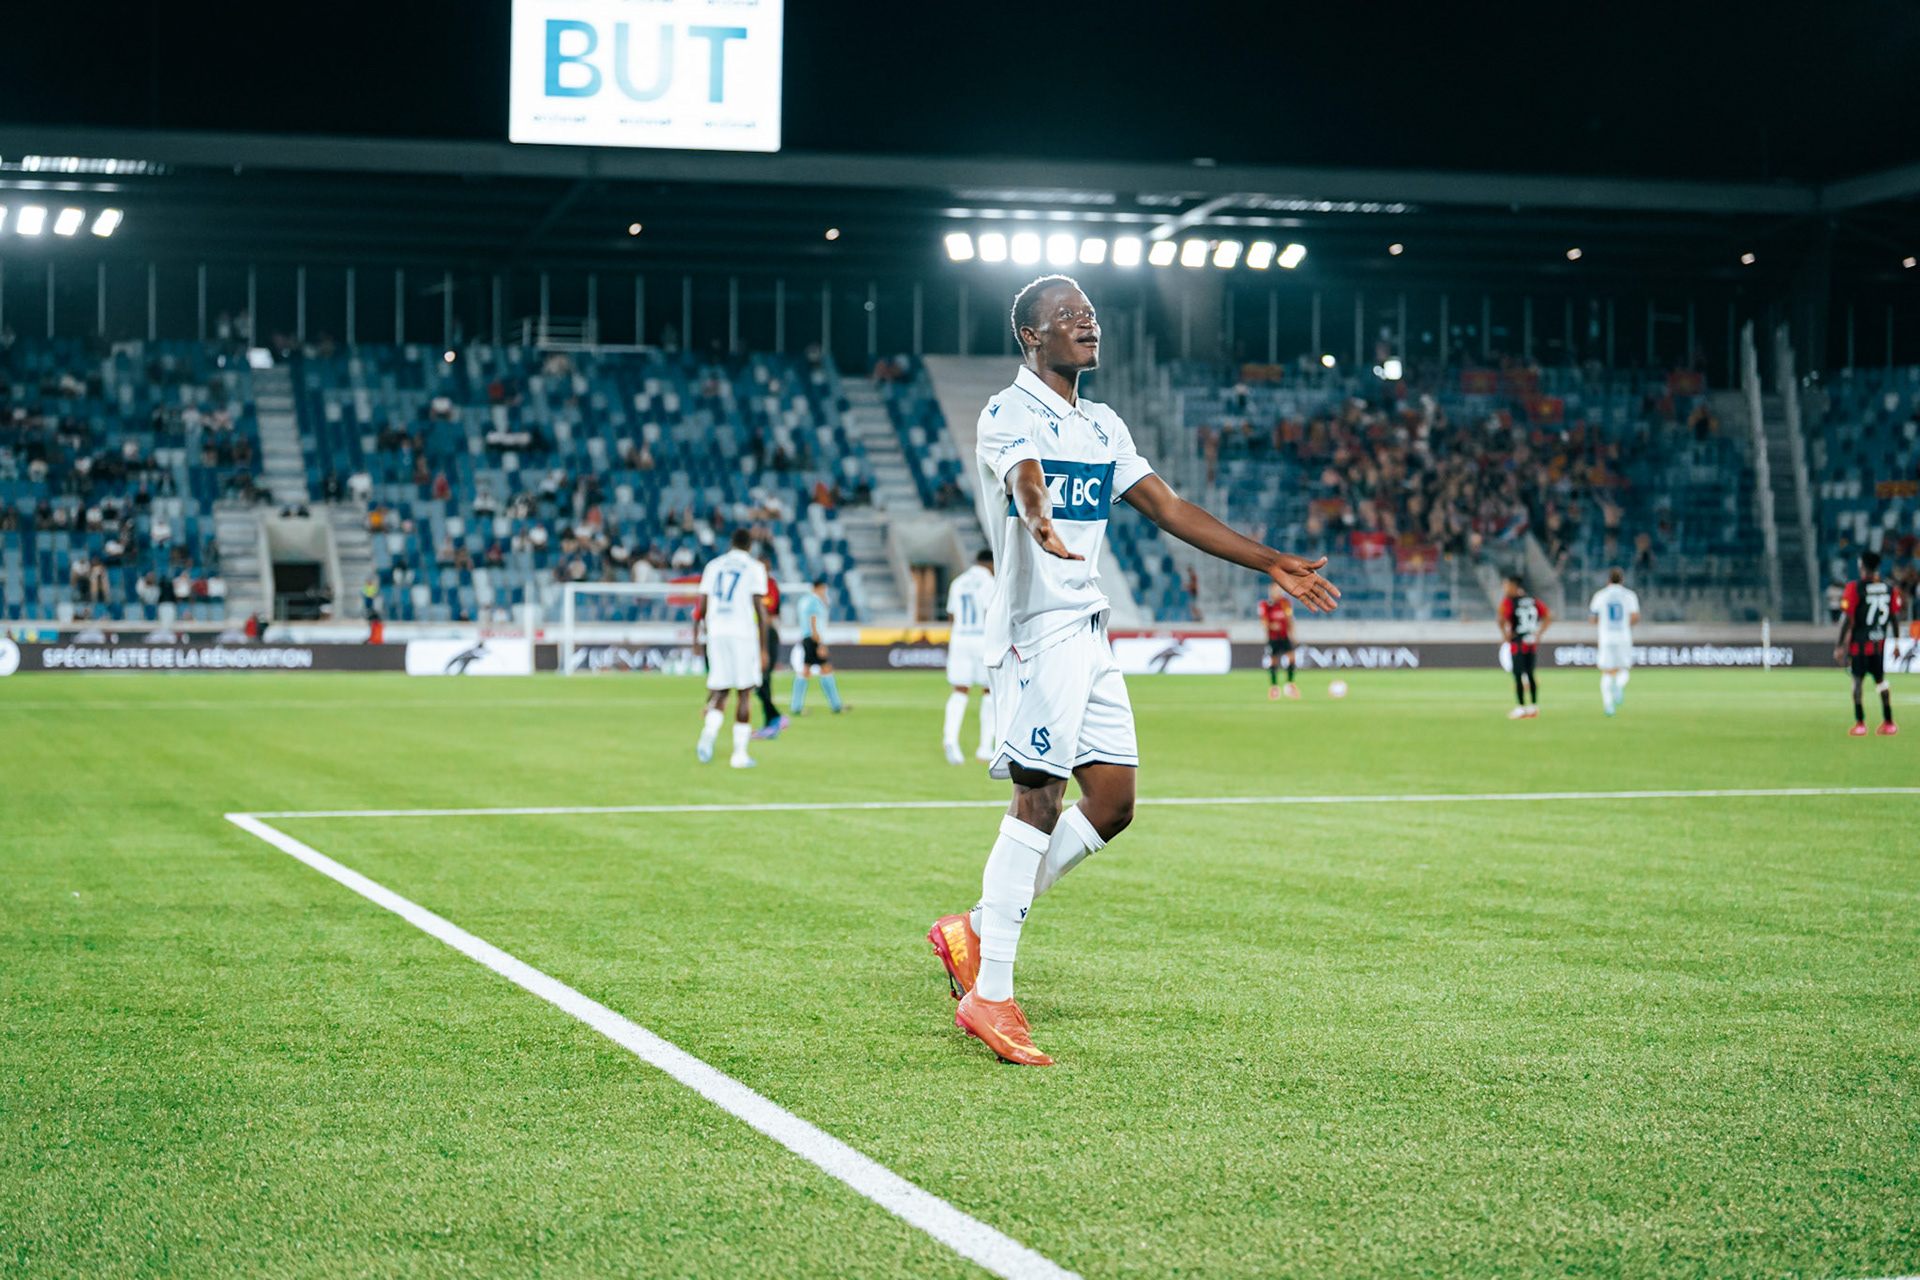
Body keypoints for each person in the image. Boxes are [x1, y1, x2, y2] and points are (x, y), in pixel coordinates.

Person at [926, 275, 1339, 1066]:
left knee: (1112, 802)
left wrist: (1270, 561)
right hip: (1033, 631)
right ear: (1030, 337)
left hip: (1087, 626)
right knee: (1038, 797)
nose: (1086, 324)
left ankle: (975, 929)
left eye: (1089, 314)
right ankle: (993, 993)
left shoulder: (1103, 424)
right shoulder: (1007, 412)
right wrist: (1038, 518)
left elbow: (1170, 508)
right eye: (1066, 317)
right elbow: (1023, 478)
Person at [693, 529, 770, 768]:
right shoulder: (754, 567)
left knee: (721, 690)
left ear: (731, 544)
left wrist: (700, 637)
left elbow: (702, 606)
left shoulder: (713, 566)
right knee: (744, 691)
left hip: (716, 632)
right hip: (742, 634)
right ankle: (739, 755)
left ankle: (708, 734)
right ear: (749, 546)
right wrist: (764, 647)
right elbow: (760, 609)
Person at [1837, 550, 1902, 736]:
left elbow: (1846, 619)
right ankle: (1889, 722)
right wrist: (1896, 643)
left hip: (1859, 646)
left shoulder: (1854, 587)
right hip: (1879, 645)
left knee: (1857, 682)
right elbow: (1894, 618)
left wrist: (1839, 646)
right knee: (1881, 682)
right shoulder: (1889, 588)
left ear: (1863, 566)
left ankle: (1860, 724)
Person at [942, 548, 998, 764]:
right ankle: (985, 748)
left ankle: (950, 740)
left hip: (960, 639)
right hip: (982, 640)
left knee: (959, 689)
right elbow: (990, 614)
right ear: (990, 564)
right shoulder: (989, 583)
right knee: (989, 691)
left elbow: (952, 615)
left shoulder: (957, 582)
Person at [1588, 567, 1640, 716]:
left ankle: (1608, 705)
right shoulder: (1629, 595)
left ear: (1608, 579)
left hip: (1606, 637)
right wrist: (1624, 625)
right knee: (1623, 669)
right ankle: (1619, 684)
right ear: (1622, 580)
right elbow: (1635, 617)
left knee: (1606, 672)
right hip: (1623, 637)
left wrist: (1604, 624)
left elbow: (1593, 618)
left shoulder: (1600, 595)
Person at [788, 580, 845, 715]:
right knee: (825, 669)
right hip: (814, 638)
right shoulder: (814, 601)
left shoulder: (804, 600)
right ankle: (836, 705)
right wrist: (819, 643)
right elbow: (813, 620)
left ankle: (796, 706)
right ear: (819, 588)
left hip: (806, 638)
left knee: (807, 671)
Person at [751, 553, 791, 740]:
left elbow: (770, 608)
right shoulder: (751, 585)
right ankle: (774, 719)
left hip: (767, 635)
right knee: (756, 681)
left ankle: (772, 720)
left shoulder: (770, 585)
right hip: (753, 635)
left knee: (762, 680)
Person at [1499, 574, 1549, 719]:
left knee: (1518, 675)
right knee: (1531, 675)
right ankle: (1533, 707)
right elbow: (1548, 616)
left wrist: (1505, 635)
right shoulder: (1533, 600)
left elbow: (1501, 618)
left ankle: (1521, 708)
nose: (1505, 588)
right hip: (1531, 643)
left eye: (1506, 585)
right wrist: (1539, 634)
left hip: (1517, 643)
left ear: (1514, 586)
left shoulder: (1509, 601)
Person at [1258, 583, 1297, 700]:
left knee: (1291, 658)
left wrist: (1292, 634)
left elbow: (1289, 618)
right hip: (1273, 637)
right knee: (1273, 661)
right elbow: (1264, 622)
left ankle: (1290, 685)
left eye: (1279, 590)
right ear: (1270, 592)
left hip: (1284, 636)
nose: (1277, 593)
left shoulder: (1285, 603)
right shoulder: (1265, 605)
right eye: (1275, 591)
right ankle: (1274, 688)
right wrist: (1271, 626)